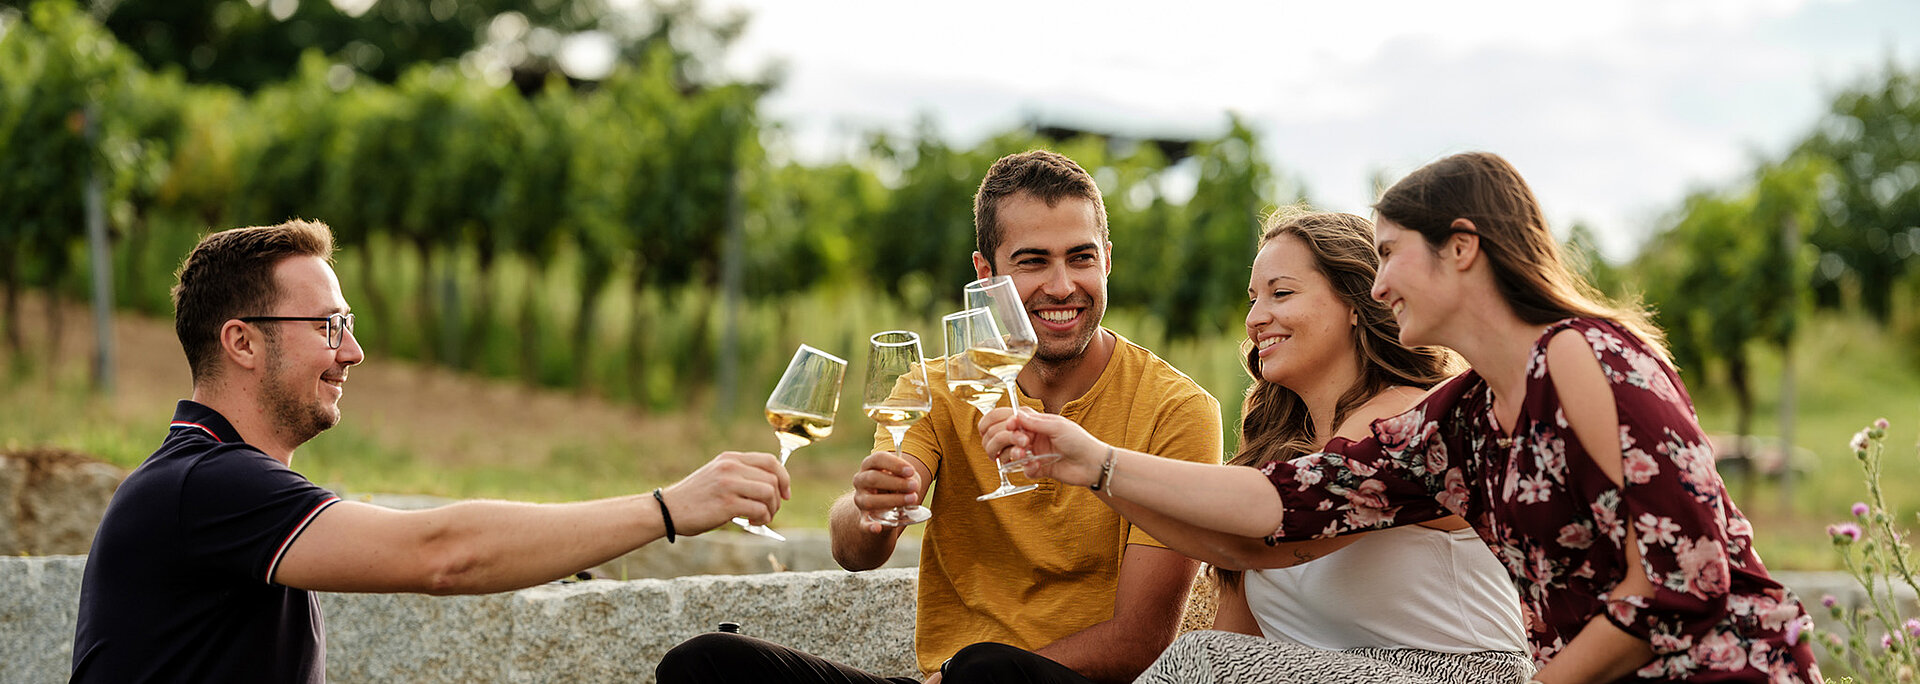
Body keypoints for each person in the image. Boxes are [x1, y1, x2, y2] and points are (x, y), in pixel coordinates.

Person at [985, 152, 1821, 683]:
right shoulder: (1454, 425)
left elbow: (1688, 576)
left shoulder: (1585, 358)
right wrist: (1092, 461)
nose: (1378, 286)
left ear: (1462, 247)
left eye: (1388, 255)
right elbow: (1286, 504)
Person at [71, 219, 791, 684]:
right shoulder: (205, 484)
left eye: (347, 324)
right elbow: (444, 553)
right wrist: (668, 508)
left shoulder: (213, 482)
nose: (353, 351)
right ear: (241, 341)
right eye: (327, 325)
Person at [656, 150, 1224, 684]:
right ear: (985, 274)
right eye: (1033, 262)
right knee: (705, 663)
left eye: (1081, 257)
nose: (1061, 286)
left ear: (1107, 261)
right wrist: (871, 508)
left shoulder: (1177, 411)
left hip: (1017, 682)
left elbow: (1142, 641)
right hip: (948, 680)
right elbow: (856, 553)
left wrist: (958, 680)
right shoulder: (932, 386)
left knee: (986, 672)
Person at [1100, 208, 1531, 684]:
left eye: (1281, 293)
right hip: (1326, 671)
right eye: (1253, 299)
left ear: (1355, 302)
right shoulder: (1271, 448)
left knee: (1200, 657)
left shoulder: (1408, 420)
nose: (1256, 318)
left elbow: (1255, 541)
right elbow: (1238, 639)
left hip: (1455, 674)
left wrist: (1099, 468)